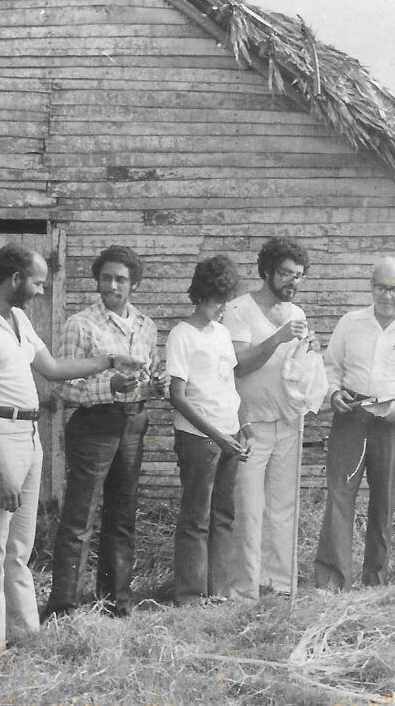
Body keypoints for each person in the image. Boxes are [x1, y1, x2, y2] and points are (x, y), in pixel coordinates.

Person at [0, 242, 143, 654]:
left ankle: (23, 632)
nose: (41, 291)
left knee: (18, 547)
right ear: (16, 279)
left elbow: (53, 370)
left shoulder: (17, 318)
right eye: (37, 282)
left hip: (29, 436)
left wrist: (110, 363)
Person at [42, 246, 164, 620]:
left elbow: (147, 375)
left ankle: (116, 602)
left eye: (121, 279)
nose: (113, 285)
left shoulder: (146, 326)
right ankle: (64, 607)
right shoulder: (80, 325)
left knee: (122, 516)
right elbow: (61, 386)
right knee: (80, 518)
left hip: (132, 423)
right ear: (97, 279)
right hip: (93, 426)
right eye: (107, 278)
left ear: (134, 284)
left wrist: (153, 386)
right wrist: (108, 388)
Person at [313, 257, 395, 591]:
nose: (388, 296)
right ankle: (332, 583)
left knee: (384, 503)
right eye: (382, 287)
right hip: (353, 417)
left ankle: (375, 583)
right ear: (371, 287)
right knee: (339, 497)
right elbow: (331, 367)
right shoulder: (351, 322)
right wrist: (332, 394)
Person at [222, 237, 325, 600]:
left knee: (283, 509)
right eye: (284, 274)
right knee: (249, 510)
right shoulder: (238, 310)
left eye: (298, 276)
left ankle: (280, 586)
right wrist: (279, 339)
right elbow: (239, 366)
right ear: (266, 271)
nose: (292, 282)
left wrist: (309, 353)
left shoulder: (297, 314)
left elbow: (296, 368)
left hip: (289, 422)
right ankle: (244, 591)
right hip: (250, 424)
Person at [165, 255, 251, 605]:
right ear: (200, 295)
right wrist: (218, 436)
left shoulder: (223, 334)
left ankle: (219, 591)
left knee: (224, 516)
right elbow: (177, 396)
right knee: (196, 517)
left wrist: (242, 427)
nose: (222, 309)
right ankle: (190, 595)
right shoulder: (181, 335)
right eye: (218, 301)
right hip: (200, 438)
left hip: (230, 436)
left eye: (226, 301)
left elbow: (230, 384)